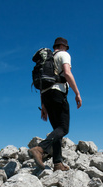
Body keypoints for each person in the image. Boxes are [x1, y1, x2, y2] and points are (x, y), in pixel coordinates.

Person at [29, 37, 82, 171]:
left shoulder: (48, 60)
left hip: (46, 95)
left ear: (55, 46)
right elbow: (67, 73)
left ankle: (58, 163)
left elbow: (43, 85)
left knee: (57, 130)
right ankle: (40, 148)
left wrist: (43, 106)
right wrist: (77, 93)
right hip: (58, 93)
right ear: (64, 47)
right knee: (63, 128)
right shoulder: (64, 55)